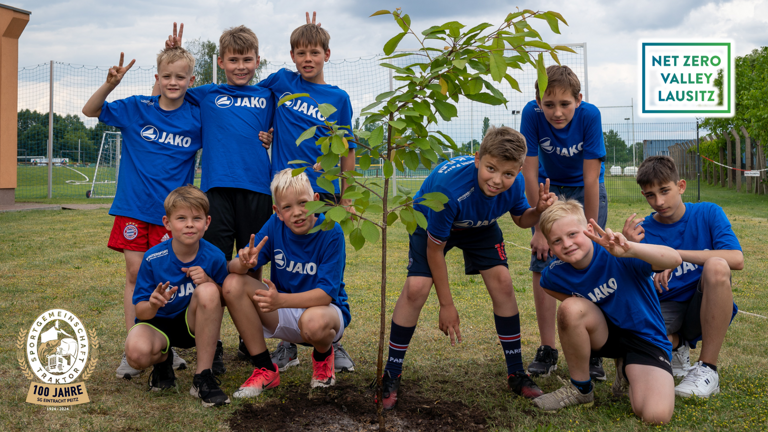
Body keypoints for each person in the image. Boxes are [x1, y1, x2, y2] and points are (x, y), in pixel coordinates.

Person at [378, 126, 558, 410]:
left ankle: (516, 373)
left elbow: (522, 219)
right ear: (477, 159)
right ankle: (391, 372)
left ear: (519, 170)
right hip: (433, 222)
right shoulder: (449, 191)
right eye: (491, 169)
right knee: (416, 288)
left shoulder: (517, 183)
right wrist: (446, 304)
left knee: (503, 282)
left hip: (479, 226)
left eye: (508, 174)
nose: (498, 180)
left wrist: (539, 211)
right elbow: (435, 250)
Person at [160, 23, 275, 376]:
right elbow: (168, 91)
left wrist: (269, 139)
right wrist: (173, 56)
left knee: (252, 265)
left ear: (258, 61)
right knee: (214, 266)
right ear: (221, 61)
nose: (240, 66)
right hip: (217, 192)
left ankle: (248, 334)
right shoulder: (205, 93)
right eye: (233, 60)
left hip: (257, 190)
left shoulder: (269, 95)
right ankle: (214, 342)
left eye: (247, 60)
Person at [82, 46, 202, 379]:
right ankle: (132, 343)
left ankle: (165, 342)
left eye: (180, 77)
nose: (173, 82)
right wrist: (110, 84)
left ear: (191, 80)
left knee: (168, 278)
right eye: (166, 76)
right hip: (133, 209)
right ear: (157, 78)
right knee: (135, 275)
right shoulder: (137, 108)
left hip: (172, 215)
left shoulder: (196, 117)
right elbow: (90, 110)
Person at [255, 12, 356, 374]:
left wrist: (348, 195)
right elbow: (251, 93)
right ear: (292, 56)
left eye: (314, 51)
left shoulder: (338, 98)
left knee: (327, 265)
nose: (307, 59)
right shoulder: (281, 81)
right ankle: (286, 342)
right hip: (285, 191)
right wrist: (265, 129)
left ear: (327, 55)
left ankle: (331, 341)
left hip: (324, 196)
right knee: (283, 257)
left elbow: (347, 149)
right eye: (300, 52)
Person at [532, 200, 681, 425]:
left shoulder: (618, 251)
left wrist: (630, 249)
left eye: (573, 234)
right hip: (605, 335)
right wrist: (579, 315)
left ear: (589, 230)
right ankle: (581, 390)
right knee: (570, 309)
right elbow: (548, 286)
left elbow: (674, 259)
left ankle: (627, 370)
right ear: (551, 248)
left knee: (655, 416)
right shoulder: (555, 275)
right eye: (557, 241)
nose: (567, 244)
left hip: (644, 337)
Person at [222, 168, 351, 398]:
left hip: (323, 313)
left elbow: (325, 295)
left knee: (313, 322)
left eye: (303, 203)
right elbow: (233, 268)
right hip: (283, 310)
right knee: (233, 283)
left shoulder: (331, 231)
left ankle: (323, 358)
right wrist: (243, 262)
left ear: (316, 201)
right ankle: (265, 368)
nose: (297, 213)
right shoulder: (274, 225)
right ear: (278, 212)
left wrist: (280, 300)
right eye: (287, 207)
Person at [622, 155, 742, 398]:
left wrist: (675, 255)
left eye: (665, 191)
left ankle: (707, 369)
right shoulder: (644, 231)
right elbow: (631, 283)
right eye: (650, 195)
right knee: (634, 346)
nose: (659, 201)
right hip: (666, 306)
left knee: (717, 265)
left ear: (681, 186)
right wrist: (629, 251)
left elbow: (736, 259)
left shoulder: (708, 212)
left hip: (706, 302)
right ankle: (678, 345)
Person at [520, 64, 609, 380]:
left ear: (579, 100)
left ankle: (595, 349)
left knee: (590, 262)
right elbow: (529, 172)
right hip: (548, 190)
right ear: (537, 101)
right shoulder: (530, 115)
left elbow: (590, 178)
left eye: (565, 104)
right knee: (543, 261)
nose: (557, 112)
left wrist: (591, 230)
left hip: (584, 188)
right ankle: (547, 349)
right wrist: (540, 227)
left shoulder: (590, 116)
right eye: (549, 104)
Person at [124, 185, 230, 407]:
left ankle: (203, 376)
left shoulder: (214, 256)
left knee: (210, 290)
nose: (190, 224)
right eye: (181, 218)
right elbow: (141, 312)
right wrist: (153, 303)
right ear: (167, 223)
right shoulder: (154, 258)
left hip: (192, 325)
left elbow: (224, 300)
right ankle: (163, 361)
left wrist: (209, 281)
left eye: (196, 218)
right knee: (135, 353)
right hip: (158, 324)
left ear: (207, 223)